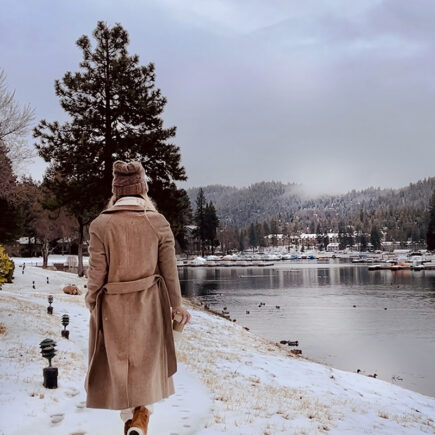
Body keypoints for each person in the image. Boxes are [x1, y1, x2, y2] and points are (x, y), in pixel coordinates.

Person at [84, 160, 191, 435]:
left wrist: (93, 303)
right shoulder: (157, 222)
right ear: (143, 190)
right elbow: (170, 272)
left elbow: (96, 275)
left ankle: (133, 421)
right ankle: (141, 417)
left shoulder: (100, 225)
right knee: (145, 367)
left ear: (116, 191)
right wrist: (176, 306)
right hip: (150, 305)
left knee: (120, 369)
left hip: (112, 306)